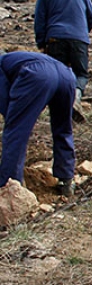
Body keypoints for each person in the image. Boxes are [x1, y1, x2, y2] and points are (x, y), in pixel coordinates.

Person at [0, 51, 76, 196]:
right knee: (63, 128)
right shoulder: (10, 60)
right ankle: (66, 179)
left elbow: (7, 107)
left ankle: (9, 186)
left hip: (38, 74)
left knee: (15, 131)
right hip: (67, 75)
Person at [33, 0, 92, 123]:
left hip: (55, 38)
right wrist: (82, 33)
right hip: (79, 39)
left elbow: (39, 20)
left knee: (58, 75)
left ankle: (58, 111)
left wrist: (41, 42)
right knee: (80, 74)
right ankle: (75, 98)